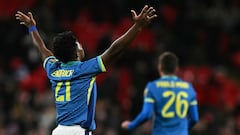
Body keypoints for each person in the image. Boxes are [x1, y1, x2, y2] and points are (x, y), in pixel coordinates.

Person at [15, 5, 157, 135]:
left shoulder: (53, 68)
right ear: (76, 53)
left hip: (59, 131)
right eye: (79, 45)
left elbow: (42, 49)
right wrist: (137, 26)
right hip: (78, 131)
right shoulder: (84, 69)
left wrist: (32, 28)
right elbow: (117, 48)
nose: (81, 46)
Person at [121, 52, 199, 135]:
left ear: (160, 68)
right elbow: (194, 118)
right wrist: (183, 130)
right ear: (176, 69)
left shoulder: (152, 87)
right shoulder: (188, 88)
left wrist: (131, 125)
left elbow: (147, 114)